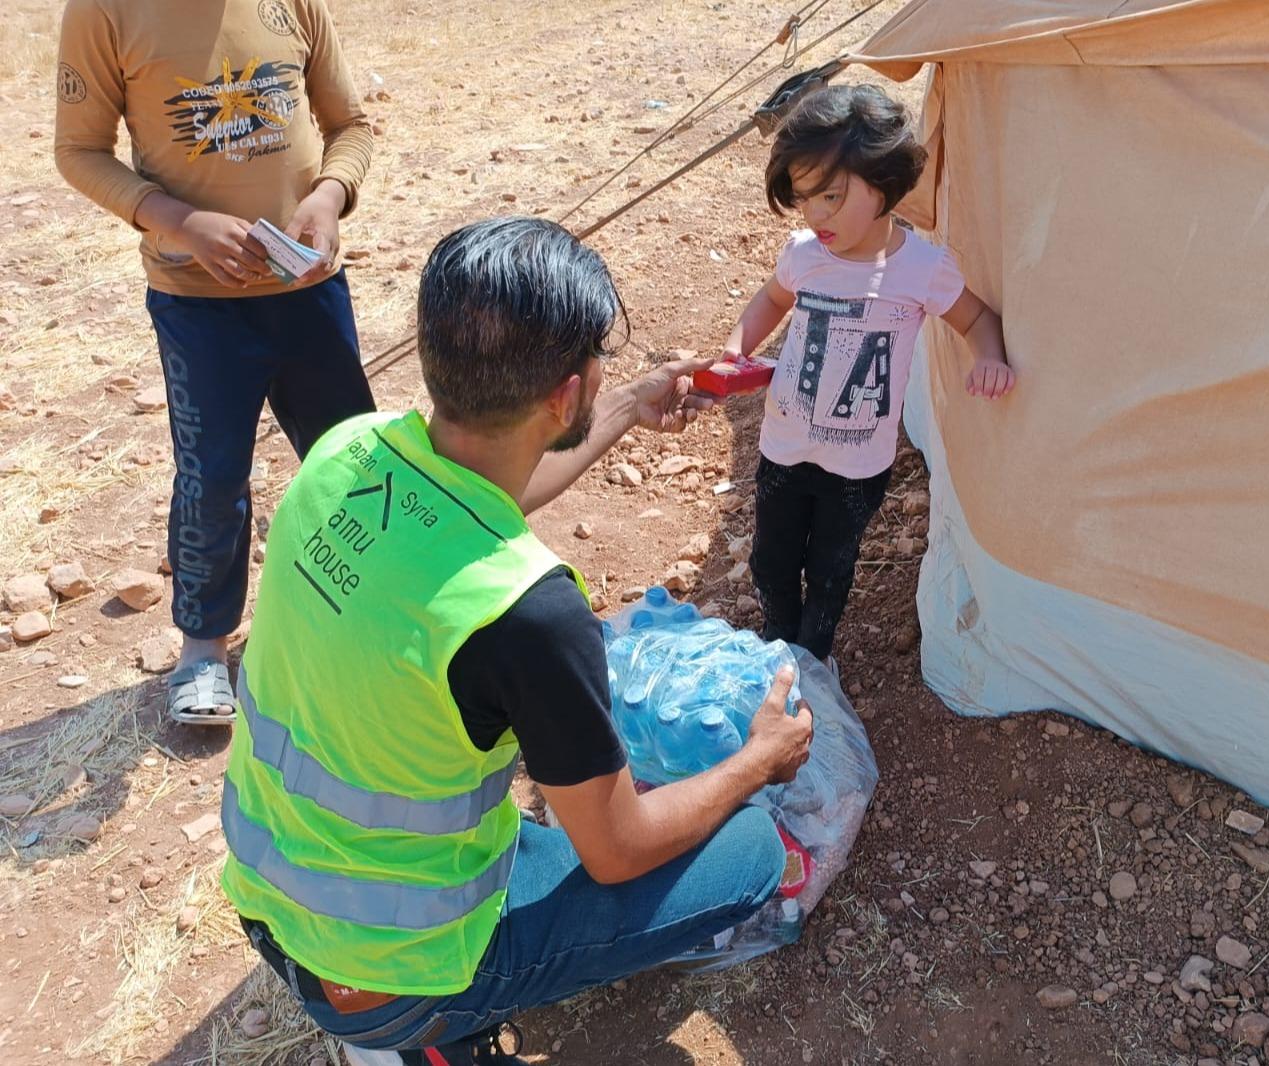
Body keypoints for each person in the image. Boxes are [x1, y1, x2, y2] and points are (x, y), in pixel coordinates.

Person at [219, 217, 816, 1065]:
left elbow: (470, 502)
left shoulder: (345, 453)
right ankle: (427, 1036)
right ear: (561, 395)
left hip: (269, 895)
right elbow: (621, 851)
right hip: (395, 974)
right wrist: (759, 758)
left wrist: (620, 409)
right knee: (750, 850)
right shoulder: (530, 614)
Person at [54, 0, 377, 724]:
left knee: (353, 461)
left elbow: (350, 126)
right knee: (212, 476)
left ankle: (373, 615)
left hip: (309, 291)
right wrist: (178, 221)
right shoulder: (105, 11)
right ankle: (204, 651)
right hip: (197, 304)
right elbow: (78, 151)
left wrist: (329, 197)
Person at [720, 84, 1017, 668]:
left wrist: (989, 355)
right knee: (771, 560)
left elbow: (978, 316)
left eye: (830, 195)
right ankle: (780, 640)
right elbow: (770, 302)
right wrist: (737, 347)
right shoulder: (804, 254)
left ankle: (812, 659)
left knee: (831, 568)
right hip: (784, 445)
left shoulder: (922, 268)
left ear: (885, 182)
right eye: (805, 199)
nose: (816, 214)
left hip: (858, 467)